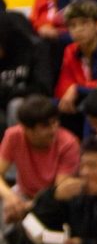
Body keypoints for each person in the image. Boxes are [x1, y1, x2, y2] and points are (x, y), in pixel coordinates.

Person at [0, 95, 80, 223]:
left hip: (53, 202)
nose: (53, 130)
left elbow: (58, 191)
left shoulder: (68, 144)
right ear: (27, 129)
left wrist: (26, 208)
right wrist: (10, 197)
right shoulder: (13, 136)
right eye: (45, 126)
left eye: (55, 122)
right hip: (23, 193)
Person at [54, 0, 97, 121]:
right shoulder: (70, 50)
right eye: (72, 25)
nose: (78, 30)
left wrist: (79, 88)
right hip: (79, 100)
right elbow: (65, 88)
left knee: (92, 105)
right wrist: (96, 85)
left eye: (84, 23)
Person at [0, 12, 54, 132]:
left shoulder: (35, 49)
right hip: (5, 104)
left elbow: (43, 88)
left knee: (16, 106)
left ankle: (19, 148)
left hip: (30, 102)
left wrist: (9, 92)